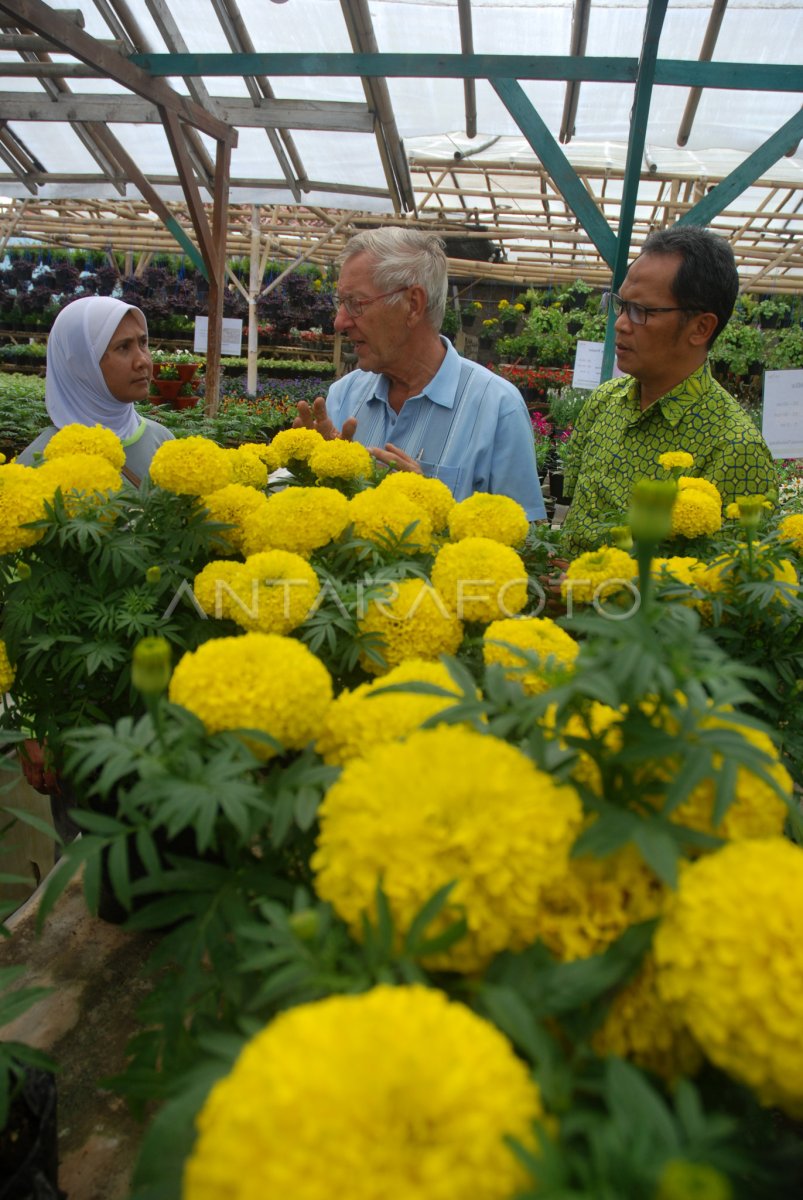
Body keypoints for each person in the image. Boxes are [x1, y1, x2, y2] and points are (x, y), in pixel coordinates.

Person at [294, 228, 546, 521]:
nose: (339, 322)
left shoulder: (498, 408)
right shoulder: (343, 396)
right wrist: (313, 473)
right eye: (341, 303)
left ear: (413, 304)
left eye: (356, 304)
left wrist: (431, 504)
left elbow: (524, 547)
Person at [560, 226, 776, 554]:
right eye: (620, 304)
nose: (619, 323)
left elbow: (732, 589)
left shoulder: (735, 450)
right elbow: (570, 508)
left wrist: (606, 586)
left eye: (641, 311)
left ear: (701, 327)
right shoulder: (605, 401)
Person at [17, 294, 173, 482]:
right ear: (82, 363)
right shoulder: (37, 464)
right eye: (123, 347)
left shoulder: (163, 443)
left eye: (143, 343)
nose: (143, 361)